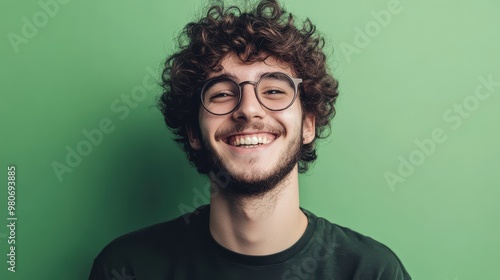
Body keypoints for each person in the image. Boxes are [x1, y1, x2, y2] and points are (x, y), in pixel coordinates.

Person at [89, 0, 411, 279]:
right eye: (222, 93)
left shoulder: (372, 272)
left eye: (273, 90)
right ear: (194, 133)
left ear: (308, 125)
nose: (248, 109)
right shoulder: (126, 268)